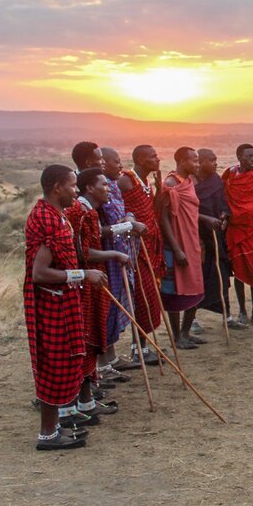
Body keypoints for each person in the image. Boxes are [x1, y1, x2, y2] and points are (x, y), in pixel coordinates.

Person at [25, 165, 105, 450]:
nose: (76, 190)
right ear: (57, 188)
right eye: (72, 185)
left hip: (61, 299)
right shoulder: (47, 219)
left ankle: (56, 427)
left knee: (62, 361)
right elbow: (40, 273)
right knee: (52, 365)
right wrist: (83, 274)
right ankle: (48, 435)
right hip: (51, 303)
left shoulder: (55, 215)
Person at [63, 168, 128, 421]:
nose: (108, 188)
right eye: (103, 184)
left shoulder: (87, 211)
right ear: (89, 187)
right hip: (82, 285)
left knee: (90, 342)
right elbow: (83, 253)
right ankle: (73, 406)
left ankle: (87, 401)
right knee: (85, 342)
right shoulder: (80, 212)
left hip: (91, 282)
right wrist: (114, 254)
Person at [97, 147, 147, 377]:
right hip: (105, 256)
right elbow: (98, 230)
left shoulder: (112, 186)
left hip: (120, 252)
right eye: (116, 161)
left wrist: (129, 218)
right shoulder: (91, 190)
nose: (120, 165)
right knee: (106, 308)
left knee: (116, 307)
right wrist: (128, 225)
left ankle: (112, 358)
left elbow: (124, 212)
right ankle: (103, 364)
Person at [117, 145, 165, 365]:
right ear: (141, 159)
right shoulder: (127, 180)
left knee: (150, 296)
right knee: (142, 297)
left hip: (150, 244)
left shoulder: (145, 182)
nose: (158, 159)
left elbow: (153, 211)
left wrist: (159, 187)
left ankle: (142, 347)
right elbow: (117, 210)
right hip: (135, 249)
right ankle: (138, 349)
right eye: (153, 156)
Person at [159, 147, 206, 349]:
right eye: (194, 160)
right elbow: (163, 218)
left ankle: (186, 333)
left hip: (192, 242)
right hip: (176, 244)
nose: (197, 164)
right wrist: (177, 249)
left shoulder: (189, 182)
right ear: (182, 161)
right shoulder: (170, 184)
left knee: (195, 287)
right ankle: (177, 337)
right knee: (175, 290)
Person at [197, 148, 246, 330]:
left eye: (216, 159)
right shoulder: (190, 182)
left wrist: (224, 216)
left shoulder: (216, 180)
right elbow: (186, 211)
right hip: (198, 238)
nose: (215, 163)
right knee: (198, 278)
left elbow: (223, 203)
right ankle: (192, 320)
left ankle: (228, 316)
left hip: (216, 235)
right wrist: (206, 220)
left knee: (222, 274)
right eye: (212, 160)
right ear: (200, 162)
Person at [221, 144, 253, 327]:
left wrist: (240, 212)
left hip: (252, 230)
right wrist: (228, 214)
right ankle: (242, 310)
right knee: (238, 272)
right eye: (249, 156)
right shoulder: (230, 175)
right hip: (234, 231)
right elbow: (223, 196)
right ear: (239, 157)